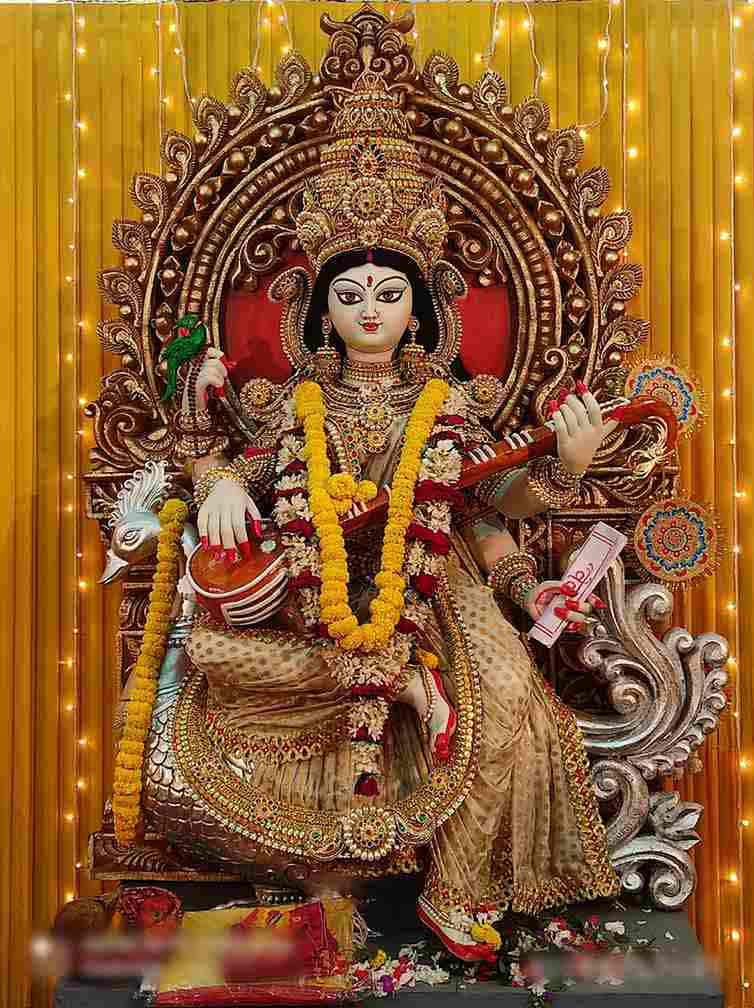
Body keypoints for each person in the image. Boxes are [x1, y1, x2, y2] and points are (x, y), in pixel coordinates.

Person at [163, 70, 619, 961]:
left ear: (418, 311)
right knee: (214, 655)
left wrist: (557, 485)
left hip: (437, 577)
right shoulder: (294, 405)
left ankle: (456, 892)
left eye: (387, 294)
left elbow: (488, 508)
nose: (369, 310)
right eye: (349, 295)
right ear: (320, 312)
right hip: (317, 582)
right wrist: (218, 481)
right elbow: (239, 472)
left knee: (512, 698)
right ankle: (400, 695)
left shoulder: (447, 403)